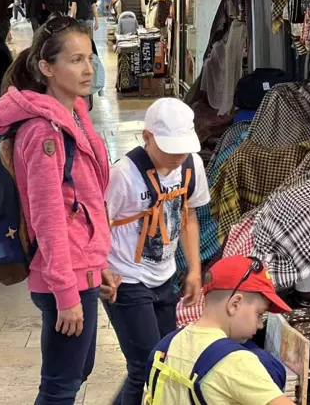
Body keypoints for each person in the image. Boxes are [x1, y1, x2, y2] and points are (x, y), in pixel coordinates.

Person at [0, 15, 117, 405]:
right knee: (60, 386)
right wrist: (66, 293)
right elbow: (48, 217)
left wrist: (98, 263)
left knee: (75, 374)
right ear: (46, 68)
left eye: (89, 58)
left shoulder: (73, 115)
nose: (87, 68)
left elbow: (85, 202)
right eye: (75, 60)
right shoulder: (45, 131)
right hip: (64, 275)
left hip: (81, 268)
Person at [104, 97, 209, 405]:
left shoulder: (191, 165)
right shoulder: (122, 175)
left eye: (182, 146)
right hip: (125, 280)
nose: (177, 155)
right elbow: (97, 224)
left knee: (163, 359)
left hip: (165, 277)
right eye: (169, 147)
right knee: (145, 367)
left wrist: (193, 271)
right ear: (146, 137)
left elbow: (188, 216)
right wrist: (99, 269)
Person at [143, 255, 293, 405]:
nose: (260, 325)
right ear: (235, 304)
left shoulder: (166, 346)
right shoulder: (237, 362)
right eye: (259, 314)